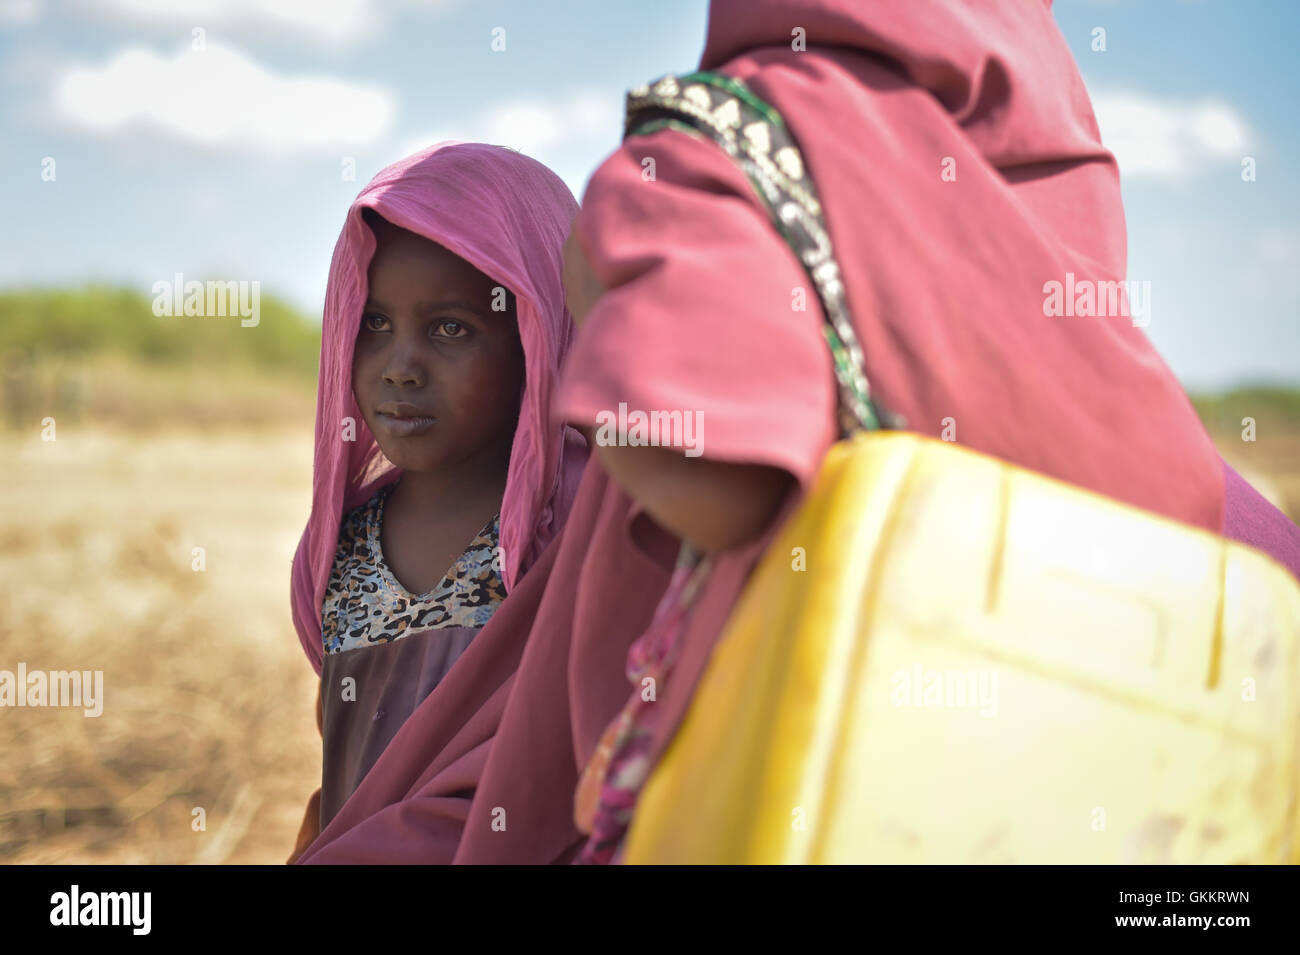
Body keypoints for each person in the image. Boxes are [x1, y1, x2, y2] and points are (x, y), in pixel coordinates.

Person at [449, 0, 1300, 864]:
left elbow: (716, 479)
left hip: (822, 786)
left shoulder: (723, 143)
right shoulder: (1057, 188)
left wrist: (602, 308)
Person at [286, 141, 586, 863]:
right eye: (374, 324)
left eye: (451, 328)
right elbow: (349, 779)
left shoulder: (579, 525)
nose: (400, 368)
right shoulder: (341, 546)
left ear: (538, 336)